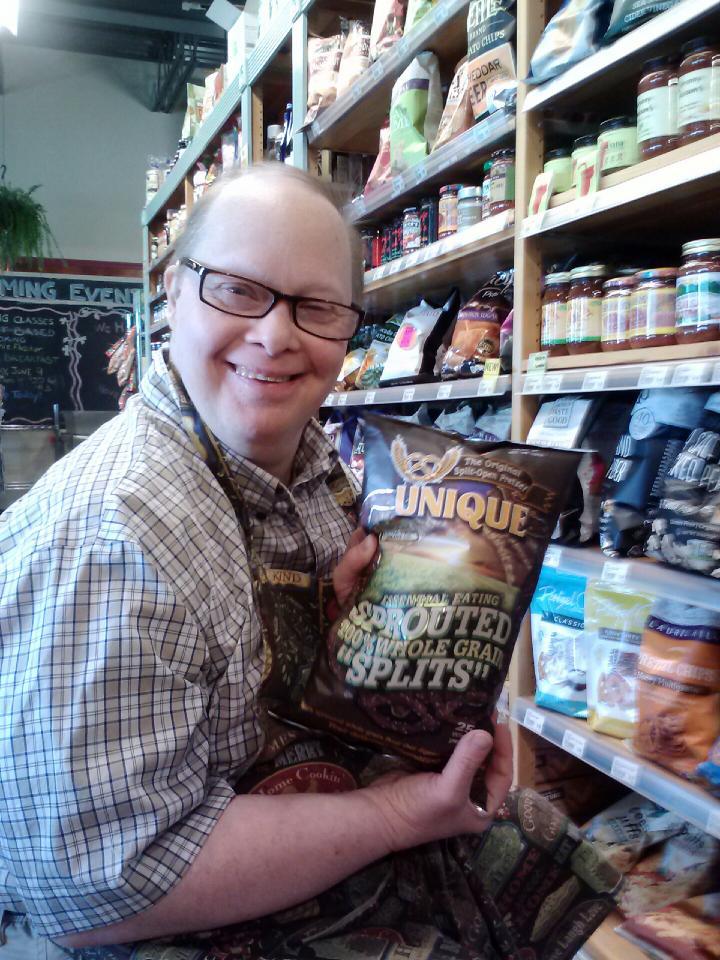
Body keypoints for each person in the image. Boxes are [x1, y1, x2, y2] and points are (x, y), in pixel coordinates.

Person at [0, 164, 513, 955]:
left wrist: (430, 692)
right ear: (173, 294)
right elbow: (96, 887)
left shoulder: (307, 460)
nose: (275, 336)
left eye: (315, 306)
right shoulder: (110, 535)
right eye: (238, 290)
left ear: (350, 327)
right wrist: (393, 813)